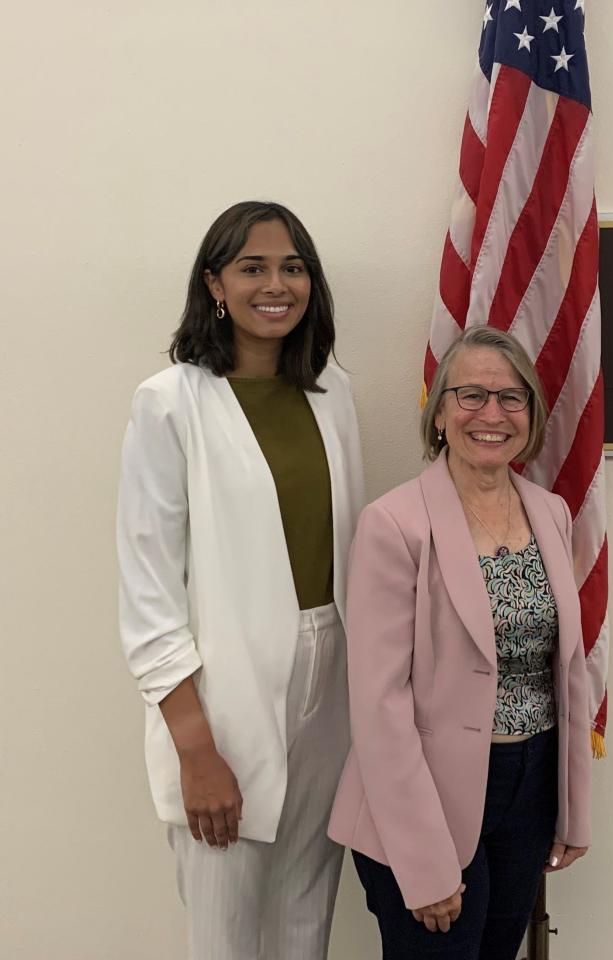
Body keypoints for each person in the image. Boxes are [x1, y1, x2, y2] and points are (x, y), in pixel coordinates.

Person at [117, 200, 364, 960]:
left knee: (304, 918)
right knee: (224, 933)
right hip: (222, 694)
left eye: (293, 267)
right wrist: (197, 751)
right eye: (253, 267)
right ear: (215, 284)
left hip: (334, 679)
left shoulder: (333, 392)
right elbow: (149, 596)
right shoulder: (170, 403)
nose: (276, 284)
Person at [328, 326, 591, 960]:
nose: (492, 414)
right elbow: (379, 701)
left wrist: (571, 806)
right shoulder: (395, 524)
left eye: (511, 397)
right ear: (440, 411)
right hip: (423, 800)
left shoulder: (549, 512)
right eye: (470, 395)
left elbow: (568, 670)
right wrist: (422, 863)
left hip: (528, 786)